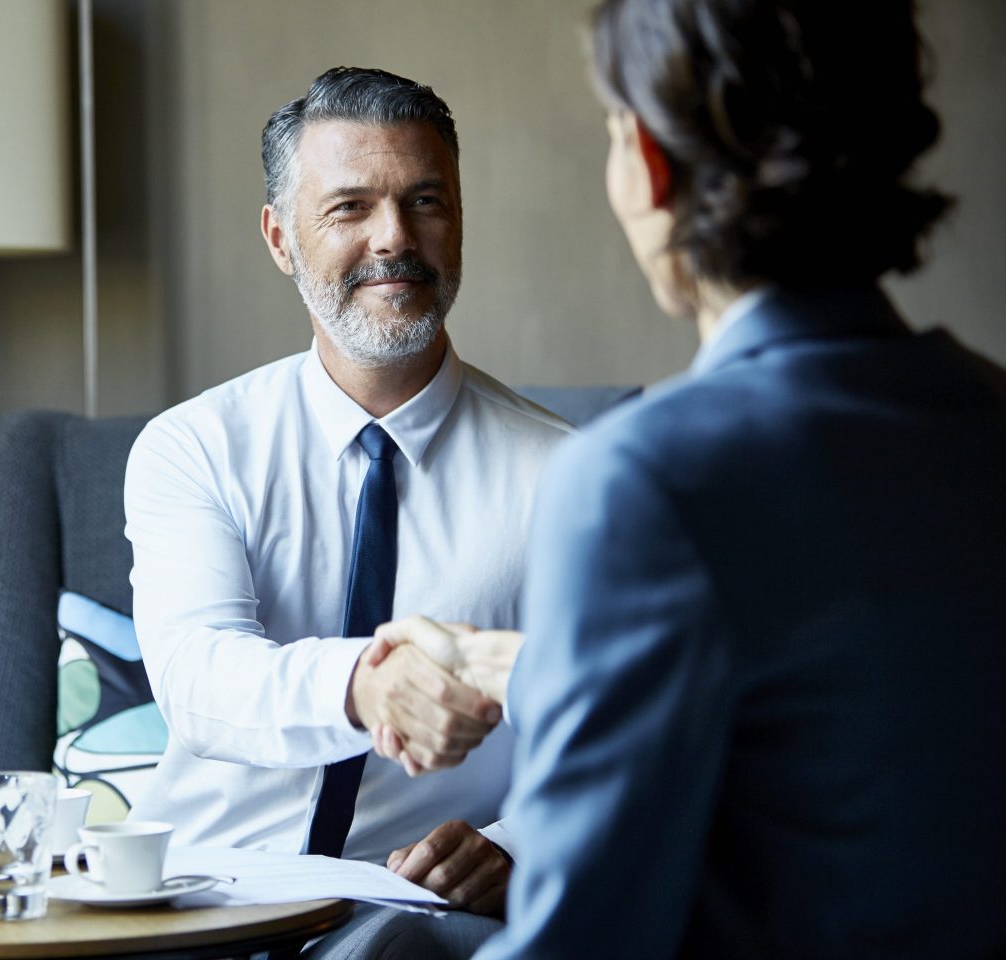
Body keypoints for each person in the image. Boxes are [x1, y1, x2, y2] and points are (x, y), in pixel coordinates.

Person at [370, 1, 1006, 957]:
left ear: (652, 166)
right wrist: (533, 667)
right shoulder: (986, 416)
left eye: (617, 132)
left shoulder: (640, 478)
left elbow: (583, 937)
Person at [122, 66, 572, 956]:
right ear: (281, 237)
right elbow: (199, 676)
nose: (395, 238)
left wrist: (521, 847)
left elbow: (605, 722)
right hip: (193, 900)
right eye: (350, 207)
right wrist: (362, 687)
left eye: (426, 201)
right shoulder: (193, 447)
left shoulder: (571, 476)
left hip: (409, 920)